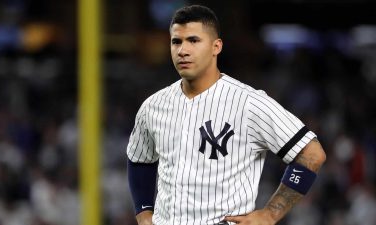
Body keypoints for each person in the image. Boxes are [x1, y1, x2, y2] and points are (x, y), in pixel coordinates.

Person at [127, 4, 326, 225]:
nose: (183, 50)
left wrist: (271, 214)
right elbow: (140, 159)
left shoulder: (249, 103)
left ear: (216, 47)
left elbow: (312, 154)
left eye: (193, 40)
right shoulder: (153, 105)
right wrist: (144, 212)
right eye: (176, 41)